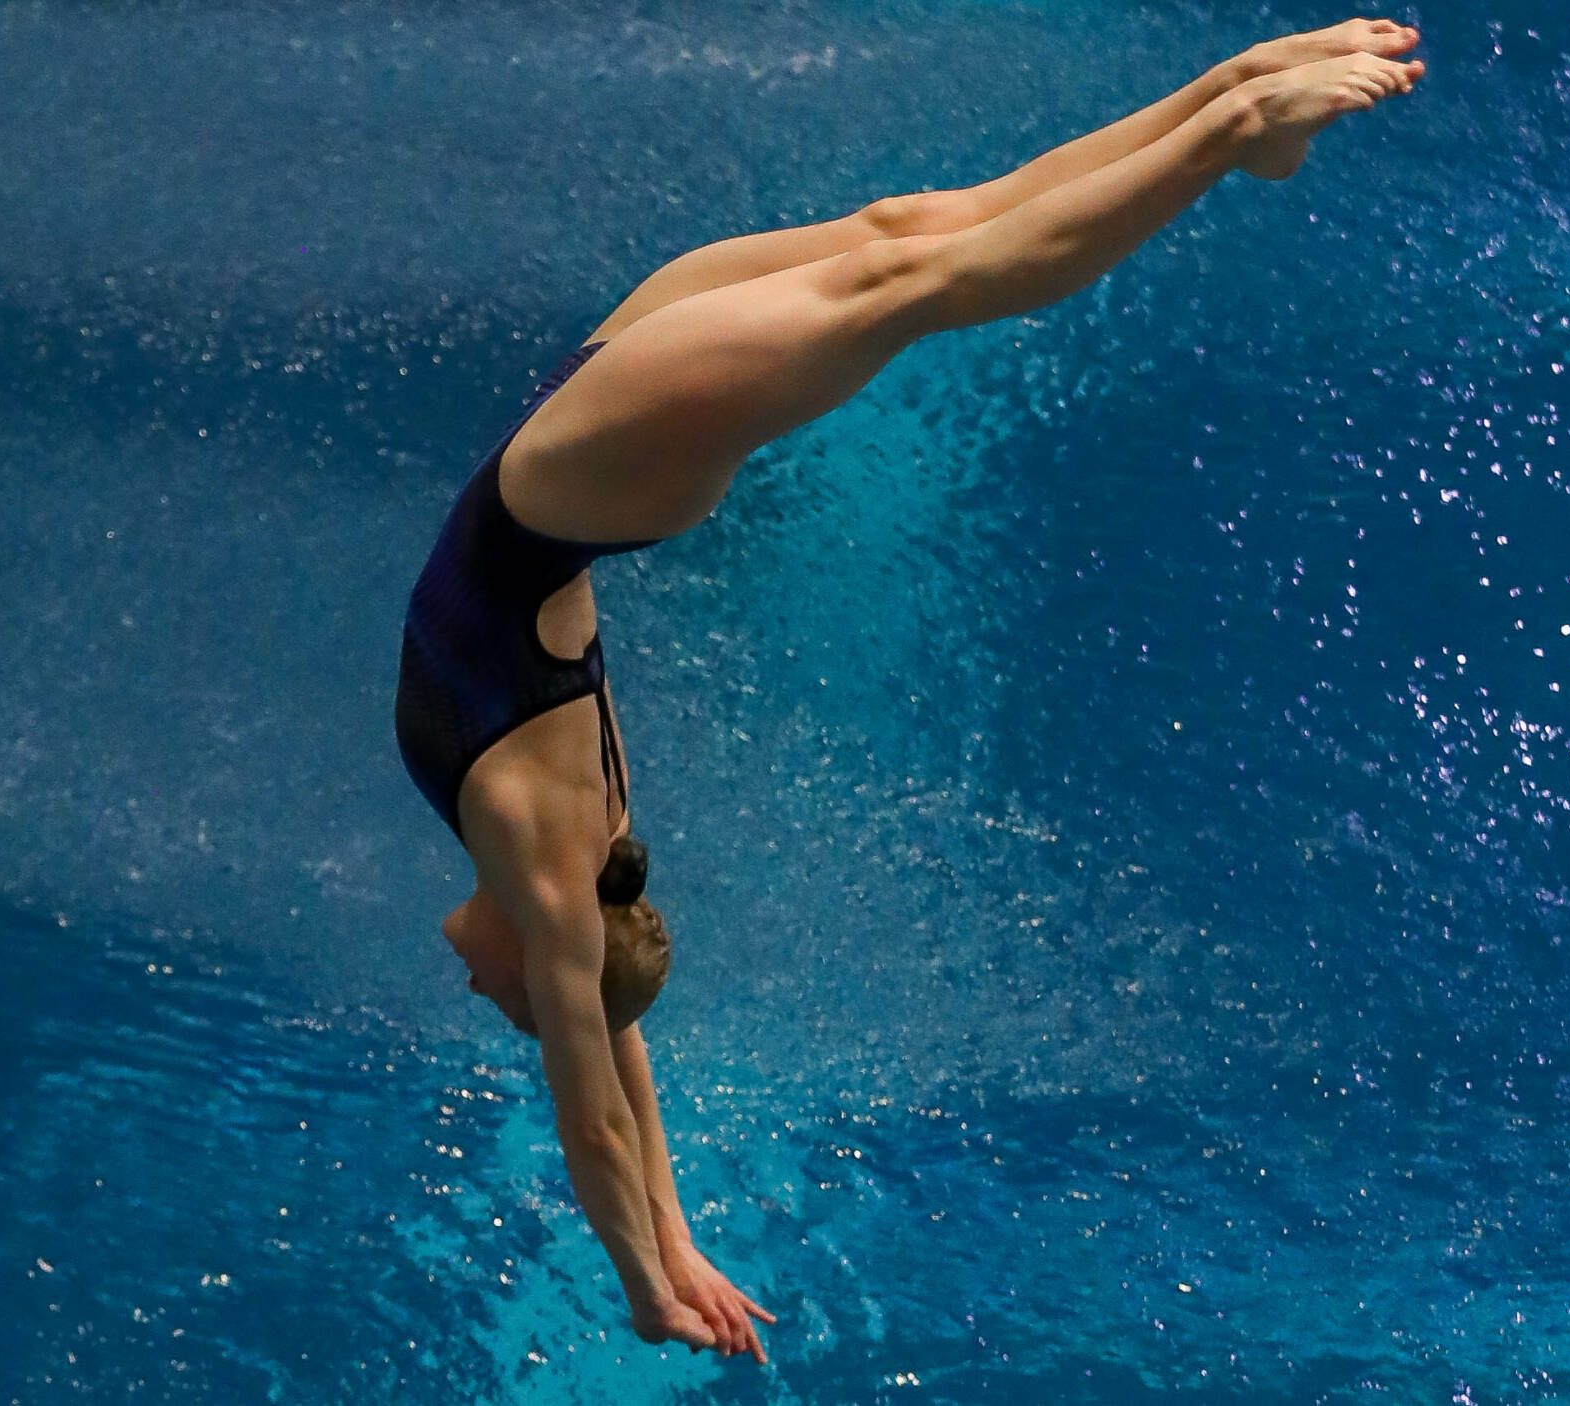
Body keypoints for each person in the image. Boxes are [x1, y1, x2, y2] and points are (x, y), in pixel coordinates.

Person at [395, 19, 1427, 1363]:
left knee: (912, 230)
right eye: (517, 999)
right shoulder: (539, 859)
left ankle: (1236, 96)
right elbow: (593, 1100)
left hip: (585, 419)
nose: (482, 993)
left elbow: (613, 1058)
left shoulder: (574, 873)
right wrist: (644, 1280)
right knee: (925, 275)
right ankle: (1232, 128)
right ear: (552, 961)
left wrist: (679, 1232)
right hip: (594, 457)